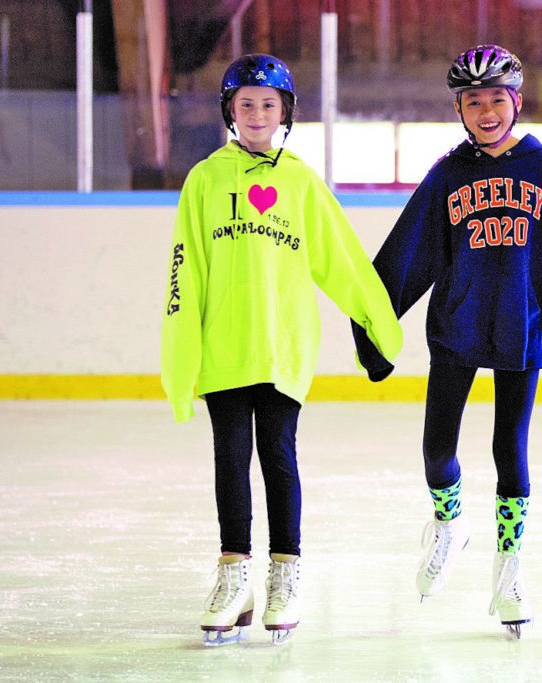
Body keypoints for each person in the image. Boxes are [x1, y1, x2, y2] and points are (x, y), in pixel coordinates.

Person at [351, 44, 542, 639]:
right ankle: (449, 524)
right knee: (435, 449)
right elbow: (410, 250)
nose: (486, 110)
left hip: (520, 328)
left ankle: (509, 569)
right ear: (459, 109)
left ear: (517, 102)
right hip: (456, 326)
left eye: (496, 98)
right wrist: (375, 321)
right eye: (473, 101)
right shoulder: (449, 174)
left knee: (510, 449)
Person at [160, 53, 402, 646]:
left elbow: (340, 259)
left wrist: (377, 324)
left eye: (269, 104)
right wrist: (181, 356)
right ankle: (233, 576)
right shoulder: (204, 180)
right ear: (229, 112)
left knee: (279, 458)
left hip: (283, 349)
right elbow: (183, 273)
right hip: (224, 349)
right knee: (229, 460)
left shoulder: (299, 182)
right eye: (246, 104)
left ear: (286, 112)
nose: (257, 114)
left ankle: (284, 576)